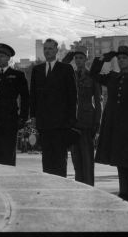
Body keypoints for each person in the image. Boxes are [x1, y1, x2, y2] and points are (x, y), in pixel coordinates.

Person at [89, 46, 128, 202]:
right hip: (114, 123)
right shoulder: (112, 77)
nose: (121, 60)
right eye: (119, 58)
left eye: (125, 58)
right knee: (119, 158)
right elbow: (93, 74)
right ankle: (123, 191)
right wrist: (104, 58)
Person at [30, 38, 77, 177]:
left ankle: (61, 187)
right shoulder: (37, 70)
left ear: (57, 50)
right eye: (45, 48)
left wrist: (71, 122)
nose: (47, 51)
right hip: (44, 124)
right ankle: (49, 185)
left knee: (60, 159)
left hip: (61, 124)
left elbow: (73, 97)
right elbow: (33, 96)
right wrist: (33, 118)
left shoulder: (66, 69)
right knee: (47, 159)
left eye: (50, 48)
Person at [62, 46, 101, 186]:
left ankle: (90, 187)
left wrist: (97, 123)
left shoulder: (92, 76)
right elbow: (59, 71)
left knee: (87, 159)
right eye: (76, 58)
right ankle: (80, 187)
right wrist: (66, 59)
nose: (78, 61)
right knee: (76, 159)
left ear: (86, 59)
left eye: (81, 58)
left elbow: (98, 100)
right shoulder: (69, 74)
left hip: (87, 122)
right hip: (73, 122)